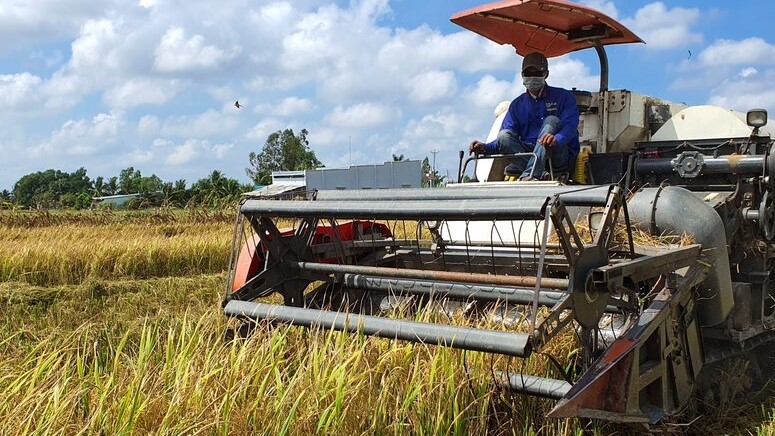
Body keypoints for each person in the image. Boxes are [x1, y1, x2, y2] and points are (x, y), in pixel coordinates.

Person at [469, 52, 580, 181]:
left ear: (546, 74)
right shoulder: (517, 105)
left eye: (537, 73)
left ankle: (530, 174)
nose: (532, 77)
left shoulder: (564, 97)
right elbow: (504, 141)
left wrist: (556, 139)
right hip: (529, 153)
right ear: (522, 75)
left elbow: (570, 127)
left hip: (556, 155)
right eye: (528, 74)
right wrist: (485, 147)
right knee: (503, 135)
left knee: (551, 120)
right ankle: (540, 173)